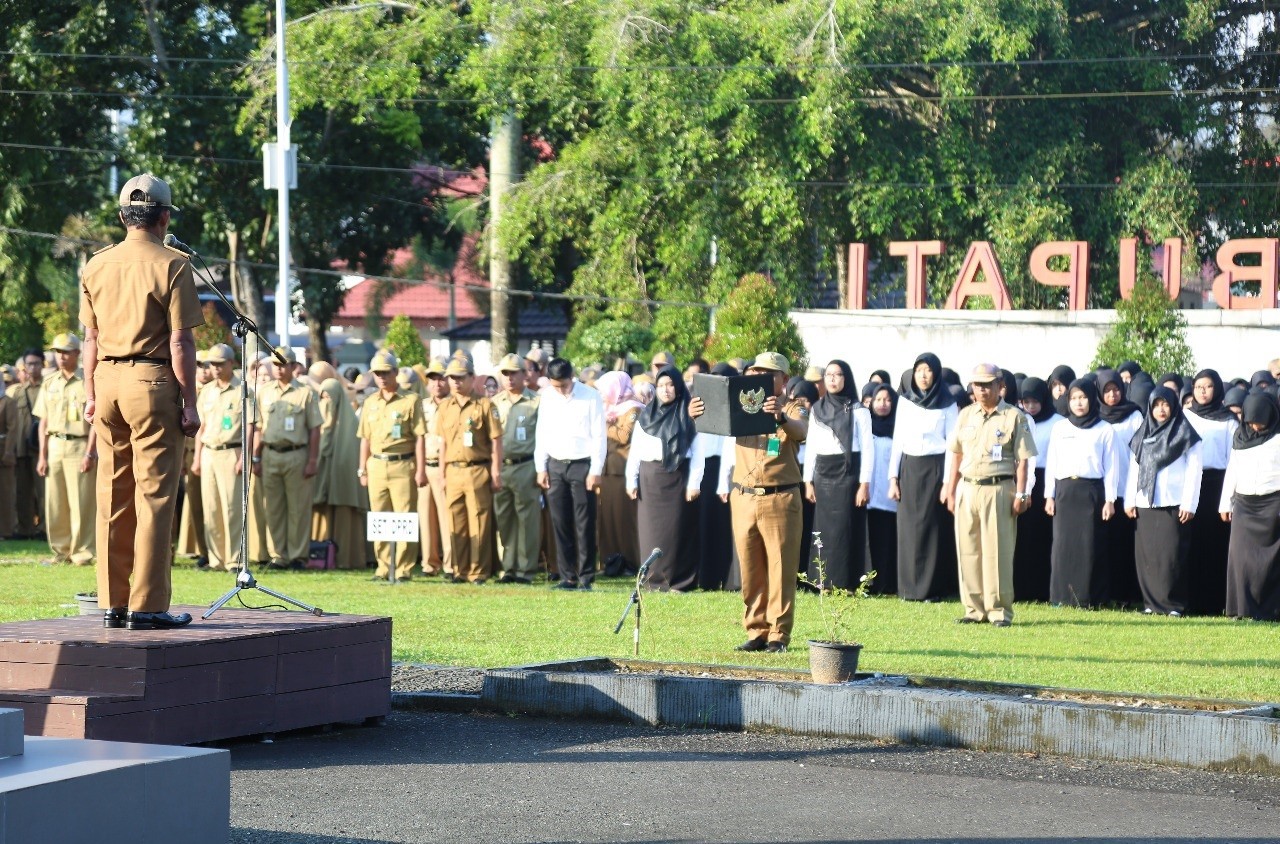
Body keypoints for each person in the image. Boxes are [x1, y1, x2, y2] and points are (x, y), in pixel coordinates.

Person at [80, 172, 203, 630]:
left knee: (112, 494)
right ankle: (147, 606)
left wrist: (91, 394)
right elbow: (181, 345)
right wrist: (190, 403)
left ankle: (111, 604)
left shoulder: (96, 264)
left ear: (122, 216)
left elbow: (90, 338)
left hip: (107, 380)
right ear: (164, 217)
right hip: (152, 383)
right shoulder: (174, 263)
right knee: (154, 496)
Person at [702, 351, 808, 653]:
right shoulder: (742, 404)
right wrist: (697, 410)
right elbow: (711, 418)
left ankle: (778, 634)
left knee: (780, 568)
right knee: (750, 569)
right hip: (745, 497)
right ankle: (756, 630)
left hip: (780, 497)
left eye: (768, 373)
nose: (759, 378)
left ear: (784, 379)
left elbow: (800, 431)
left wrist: (780, 417)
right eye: (755, 372)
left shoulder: (794, 406)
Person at [943, 364, 1036, 627]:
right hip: (968, 486)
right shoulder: (965, 415)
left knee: (997, 551)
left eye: (987, 385)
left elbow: (1024, 460)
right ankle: (973, 609)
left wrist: (1022, 492)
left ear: (1000, 386)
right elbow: (956, 454)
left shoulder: (1014, 416)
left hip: (998, 488)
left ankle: (998, 611)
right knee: (968, 550)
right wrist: (950, 490)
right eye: (977, 385)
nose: (982, 390)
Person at [625, 365, 705, 591]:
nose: (665, 390)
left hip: (679, 478)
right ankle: (654, 580)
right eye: (660, 385)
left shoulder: (690, 415)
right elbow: (636, 452)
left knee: (679, 531)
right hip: (650, 480)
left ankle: (681, 582)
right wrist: (631, 481)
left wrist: (694, 483)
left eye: (670, 385)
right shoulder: (646, 417)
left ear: (678, 387)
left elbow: (698, 452)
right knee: (652, 532)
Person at [1125, 386, 1202, 616]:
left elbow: (1195, 471)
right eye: (1156, 404)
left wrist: (1189, 503)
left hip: (1174, 502)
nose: (1161, 409)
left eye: (1166, 404)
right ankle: (1151, 603)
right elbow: (1134, 470)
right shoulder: (1142, 434)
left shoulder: (1186, 434)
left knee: (1172, 556)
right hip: (1145, 502)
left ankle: (1174, 604)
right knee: (1148, 555)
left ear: (1174, 406)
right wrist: (1130, 500)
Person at [889, 352, 959, 602]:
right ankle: (908, 588)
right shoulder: (906, 401)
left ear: (936, 373)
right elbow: (898, 439)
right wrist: (892, 478)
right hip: (909, 467)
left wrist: (947, 483)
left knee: (931, 528)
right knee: (908, 529)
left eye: (928, 370)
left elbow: (953, 445)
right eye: (919, 370)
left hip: (935, 467)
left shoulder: (949, 404)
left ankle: (931, 589)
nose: (923, 375)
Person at [1045, 378, 1120, 609]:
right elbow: (1052, 462)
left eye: (1083, 397)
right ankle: (1061, 597)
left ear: (1091, 399)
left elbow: (1112, 467)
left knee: (1090, 545)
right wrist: (1049, 495)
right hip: (1065, 492)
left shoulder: (1105, 429)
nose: (1079, 403)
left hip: (1091, 492)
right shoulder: (1060, 428)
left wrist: (1110, 499)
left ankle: (1090, 597)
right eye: (1074, 398)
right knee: (1063, 546)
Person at [535, 358, 606, 589]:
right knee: (560, 521)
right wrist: (540, 467)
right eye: (556, 385)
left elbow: (599, 436)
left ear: (572, 378)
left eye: (563, 385)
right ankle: (567, 576)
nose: (560, 390)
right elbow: (542, 433)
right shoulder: (547, 396)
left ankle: (586, 576)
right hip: (555, 465)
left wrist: (596, 470)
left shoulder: (590, 396)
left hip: (581, 465)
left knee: (584, 523)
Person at [250, 346, 322, 570]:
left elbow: (314, 429)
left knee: (298, 508)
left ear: (293, 366)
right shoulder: (264, 392)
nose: (279, 369)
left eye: (283, 365)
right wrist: (255, 457)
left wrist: (312, 460)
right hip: (270, 453)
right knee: (273, 507)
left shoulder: (305, 392)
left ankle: (298, 556)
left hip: (296, 454)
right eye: (276, 365)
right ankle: (278, 555)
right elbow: (259, 428)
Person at [803, 360, 873, 591]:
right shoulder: (817, 409)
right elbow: (811, 446)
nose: (833, 379)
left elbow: (867, 448)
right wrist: (808, 481)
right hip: (822, 473)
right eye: (829, 375)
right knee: (823, 529)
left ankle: (847, 581)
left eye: (838, 374)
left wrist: (864, 484)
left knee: (845, 529)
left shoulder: (858, 409)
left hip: (848, 473)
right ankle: (823, 580)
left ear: (846, 378)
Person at [358, 350, 427, 581]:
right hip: (376, 464)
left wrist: (420, 470)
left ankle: (404, 569)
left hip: (403, 463)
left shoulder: (411, 400)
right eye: (377, 373)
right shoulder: (369, 402)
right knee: (379, 517)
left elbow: (420, 437)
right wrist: (362, 469)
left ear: (396, 372)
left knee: (404, 517)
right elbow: (365, 439)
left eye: (386, 372)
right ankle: (383, 567)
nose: (382, 377)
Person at [435, 357, 503, 584]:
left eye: (460, 377)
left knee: (479, 521)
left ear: (472, 378)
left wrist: (495, 472)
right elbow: (442, 442)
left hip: (477, 469)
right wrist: (443, 474)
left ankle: (478, 571)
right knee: (456, 521)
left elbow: (496, 441)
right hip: (453, 470)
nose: (455, 382)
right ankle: (459, 569)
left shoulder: (485, 405)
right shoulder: (445, 406)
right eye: (452, 378)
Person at [33, 333, 96, 566]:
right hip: (55, 445)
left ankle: (82, 552)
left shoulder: (88, 381)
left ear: (78, 354)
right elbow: (43, 423)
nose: (61, 356)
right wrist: (42, 455)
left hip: (80, 444)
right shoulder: (49, 383)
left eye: (66, 351)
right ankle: (60, 551)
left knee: (82, 502)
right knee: (55, 502)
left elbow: (96, 421)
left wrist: (90, 452)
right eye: (58, 352)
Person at [1220, 392, 1280, 621]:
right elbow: (1232, 470)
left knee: (1270, 562)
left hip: (1273, 504)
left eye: (1260, 421)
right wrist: (1225, 503)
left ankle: (1269, 610)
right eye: (1251, 421)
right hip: (1244, 504)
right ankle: (1240, 608)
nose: (1255, 426)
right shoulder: (1241, 435)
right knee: (1239, 557)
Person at [1184, 369, 1239, 616]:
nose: (1203, 392)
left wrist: (1228, 498)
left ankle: (1214, 601)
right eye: (1198, 387)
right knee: (1189, 542)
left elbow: (1233, 460)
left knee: (1215, 544)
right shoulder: (1185, 416)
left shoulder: (1228, 420)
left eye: (1208, 387)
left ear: (1216, 389)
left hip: (1217, 485)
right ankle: (1189, 600)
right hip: (1190, 485)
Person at [192, 343, 244, 573]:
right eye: (212, 364)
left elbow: (251, 427)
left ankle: (234, 560)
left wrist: (245, 457)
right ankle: (216, 559)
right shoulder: (207, 391)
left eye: (220, 364)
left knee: (232, 508)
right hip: (209, 452)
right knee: (211, 508)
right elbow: (200, 427)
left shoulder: (242, 390)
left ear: (231, 363)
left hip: (232, 451)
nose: (215, 368)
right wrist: (197, 457)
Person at [309, 362, 367, 570]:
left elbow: (350, 456)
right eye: (322, 398)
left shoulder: (350, 424)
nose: (326, 403)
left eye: (330, 398)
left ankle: (345, 558)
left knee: (344, 516)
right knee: (320, 515)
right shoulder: (317, 425)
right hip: (322, 483)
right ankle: (319, 557)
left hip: (342, 488)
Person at [491, 353, 542, 584]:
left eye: (514, 372)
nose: (509, 378)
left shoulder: (536, 402)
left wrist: (541, 469)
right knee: (504, 520)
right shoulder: (494, 402)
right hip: (501, 467)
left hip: (526, 465)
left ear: (525, 374)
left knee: (527, 519)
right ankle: (507, 568)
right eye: (505, 373)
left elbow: (544, 438)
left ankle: (525, 570)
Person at [1096, 368, 1144, 607]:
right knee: (1102, 544)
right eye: (1107, 391)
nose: (1112, 395)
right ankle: (1104, 594)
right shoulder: (1093, 415)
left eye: (1116, 389)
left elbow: (1140, 453)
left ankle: (1126, 595)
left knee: (1124, 543)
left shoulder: (1134, 415)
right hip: (1100, 489)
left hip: (1126, 486)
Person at [1012, 376, 1060, 602]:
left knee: (1044, 538)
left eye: (1035, 401)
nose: (1030, 406)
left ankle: (1042, 588)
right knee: (1022, 538)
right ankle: (1021, 587)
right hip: (1023, 479)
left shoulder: (1058, 422)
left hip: (1047, 481)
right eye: (1026, 401)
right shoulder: (1019, 419)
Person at [596, 370, 642, 578]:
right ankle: (611, 561)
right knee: (607, 520)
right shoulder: (609, 410)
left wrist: (604, 424)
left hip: (622, 473)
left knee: (625, 521)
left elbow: (624, 436)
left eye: (606, 390)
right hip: (605, 472)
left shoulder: (633, 408)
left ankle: (631, 561)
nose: (603, 395)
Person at [176, 349, 213, 566]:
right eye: (198, 365)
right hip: (187, 455)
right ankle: (204, 551)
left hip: (206, 453)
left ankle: (216, 552)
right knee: (196, 506)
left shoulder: (213, 393)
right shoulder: (184, 392)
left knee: (212, 505)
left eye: (207, 365)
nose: (203, 370)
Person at [418, 357, 453, 577]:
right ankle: (429, 564)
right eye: (432, 379)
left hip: (446, 467)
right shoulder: (422, 406)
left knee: (446, 518)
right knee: (425, 518)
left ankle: (450, 565)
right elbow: (418, 438)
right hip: (426, 465)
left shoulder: (453, 405)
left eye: (441, 379)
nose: (437, 384)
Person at [7, 348, 45, 539]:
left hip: (41, 449)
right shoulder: (16, 392)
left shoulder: (48, 388)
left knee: (44, 492)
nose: (32, 367)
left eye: (36, 363)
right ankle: (25, 529)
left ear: (42, 364)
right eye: (29, 364)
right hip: (21, 448)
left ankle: (44, 529)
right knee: (23, 491)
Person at [865, 382, 898, 593]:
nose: (883, 404)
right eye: (878, 400)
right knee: (870, 540)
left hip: (889, 495)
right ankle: (868, 583)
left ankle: (887, 583)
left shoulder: (899, 428)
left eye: (887, 400)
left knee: (887, 540)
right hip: (868, 494)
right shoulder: (865, 427)